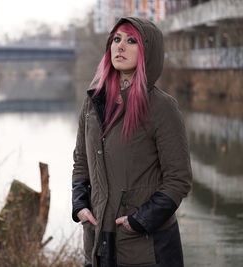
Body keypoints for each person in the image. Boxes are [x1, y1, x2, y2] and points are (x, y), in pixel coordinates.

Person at [71, 17, 192, 267]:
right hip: (97, 239)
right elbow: (81, 161)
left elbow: (178, 179)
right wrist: (81, 205)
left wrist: (138, 221)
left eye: (131, 41)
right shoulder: (93, 102)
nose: (120, 46)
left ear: (148, 52)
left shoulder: (161, 107)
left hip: (145, 246)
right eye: (116, 39)